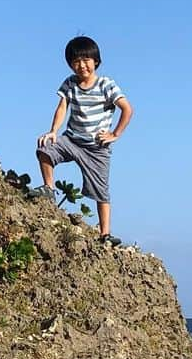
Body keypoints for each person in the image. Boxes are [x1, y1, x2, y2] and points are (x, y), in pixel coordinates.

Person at [36, 36, 133, 246]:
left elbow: (127, 108)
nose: (82, 65)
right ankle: (49, 189)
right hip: (72, 140)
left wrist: (115, 134)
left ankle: (105, 234)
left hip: (97, 148)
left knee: (101, 191)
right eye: (76, 61)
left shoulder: (106, 84)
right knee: (45, 148)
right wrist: (53, 131)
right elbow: (62, 107)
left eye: (86, 60)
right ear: (70, 64)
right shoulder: (70, 83)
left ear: (95, 61)